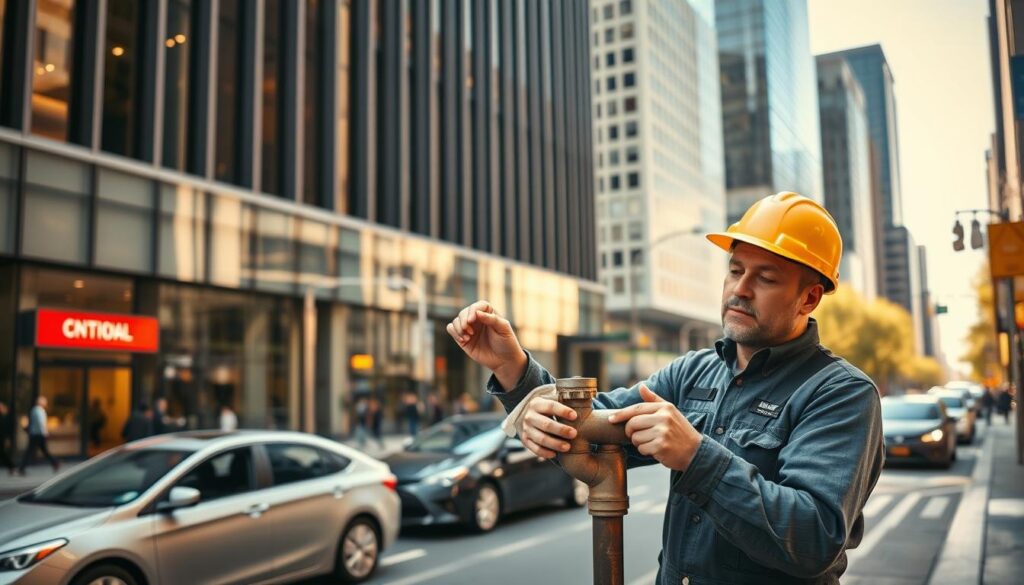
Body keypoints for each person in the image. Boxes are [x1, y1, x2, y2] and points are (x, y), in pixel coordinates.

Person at [447, 192, 885, 584]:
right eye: (735, 270)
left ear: (808, 298)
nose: (740, 289)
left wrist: (696, 457)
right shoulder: (692, 372)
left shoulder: (841, 393)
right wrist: (513, 367)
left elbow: (814, 538)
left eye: (765, 278)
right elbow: (592, 433)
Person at [18, 396, 59, 475]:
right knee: (40, 451)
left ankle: (55, 463)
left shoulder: (35, 410)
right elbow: (41, 424)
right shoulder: (39, 411)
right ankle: (55, 463)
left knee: (35, 451)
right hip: (38, 434)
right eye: (45, 402)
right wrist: (45, 433)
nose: (46, 404)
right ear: (41, 403)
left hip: (35, 434)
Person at [0, 401, 15, 475]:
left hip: (2, 438)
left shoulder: (6, 417)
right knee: (2, 453)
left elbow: (7, 429)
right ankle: (11, 467)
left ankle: (11, 466)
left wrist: (8, 438)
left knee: (2, 453)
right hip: (2, 437)